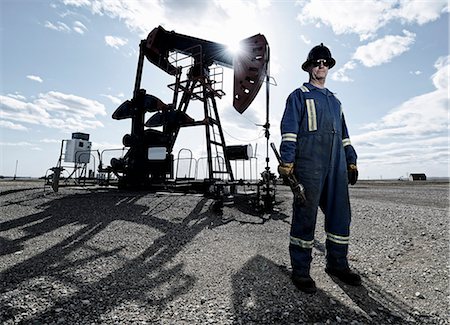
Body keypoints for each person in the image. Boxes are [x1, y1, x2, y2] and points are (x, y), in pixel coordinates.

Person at [278, 43, 361, 293]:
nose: (321, 66)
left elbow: (345, 134)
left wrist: (351, 159)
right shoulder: (299, 96)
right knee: (305, 218)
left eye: (325, 62)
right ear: (309, 67)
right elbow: (289, 131)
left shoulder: (336, 102)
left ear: (329, 67)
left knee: (340, 216)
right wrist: (287, 161)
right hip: (309, 166)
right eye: (317, 62)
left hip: (336, 167)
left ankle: (337, 264)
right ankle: (301, 271)